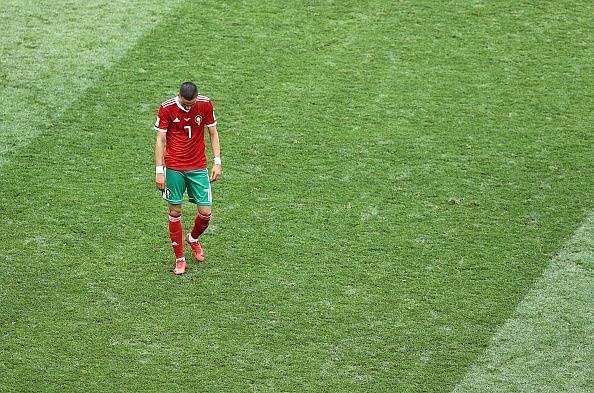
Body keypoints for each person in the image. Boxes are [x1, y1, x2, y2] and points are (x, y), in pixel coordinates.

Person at [154, 81, 222, 274]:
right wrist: (160, 170)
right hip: (174, 167)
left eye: (191, 105)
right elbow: (160, 139)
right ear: (179, 96)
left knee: (206, 213)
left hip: (198, 166)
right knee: (175, 212)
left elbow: (213, 133)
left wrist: (217, 161)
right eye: (185, 104)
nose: (189, 107)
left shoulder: (205, 104)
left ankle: (192, 238)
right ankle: (180, 259)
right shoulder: (167, 108)